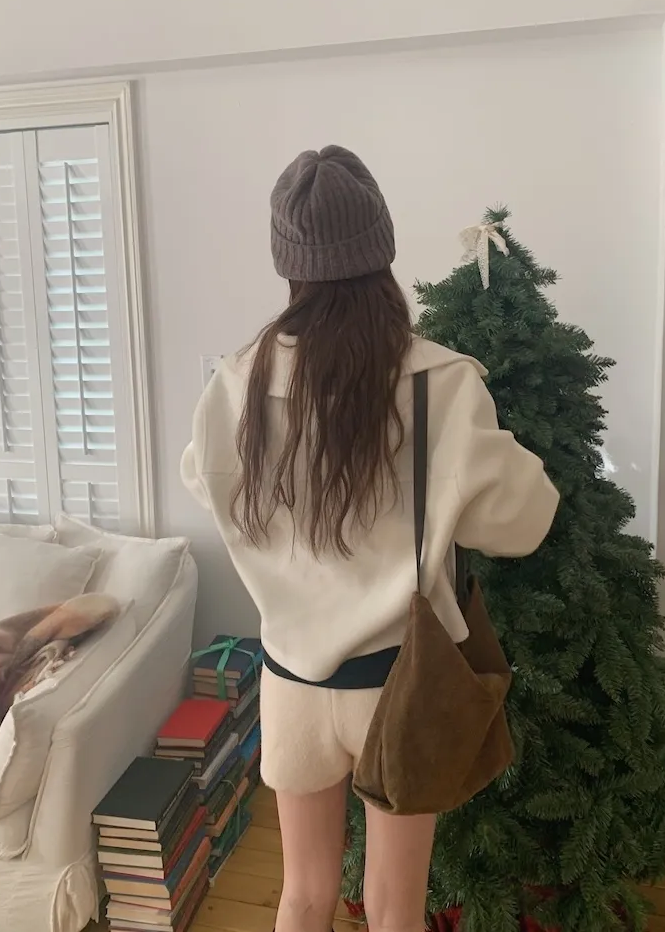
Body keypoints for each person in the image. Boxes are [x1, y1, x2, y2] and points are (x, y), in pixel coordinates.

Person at [182, 146, 559, 932]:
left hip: (291, 682)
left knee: (302, 895)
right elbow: (526, 521)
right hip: (399, 684)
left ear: (288, 263)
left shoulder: (237, 382)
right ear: (380, 249)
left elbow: (203, 480)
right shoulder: (439, 382)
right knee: (394, 909)